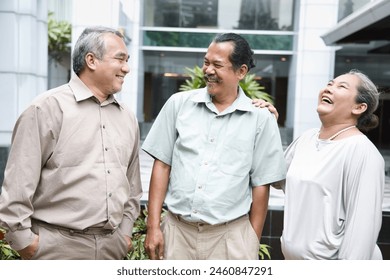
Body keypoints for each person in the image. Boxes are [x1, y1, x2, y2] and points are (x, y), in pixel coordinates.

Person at [0, 26, 142, 259]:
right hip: (55, 249)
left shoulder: (127, 116)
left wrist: (124, 235)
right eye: (120, 59)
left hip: (112, 248)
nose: (126, 68)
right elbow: (17, 185)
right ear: (91, 60)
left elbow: (132, 185)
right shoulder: (46, 108)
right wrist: (27, 243)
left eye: (127, 60)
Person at [142, 33, 286, 260]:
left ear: (241, 71)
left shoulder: (261, 118)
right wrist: (153, 227)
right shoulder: (178, 104)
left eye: (217, 65)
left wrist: (251, 241)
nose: (208, 70)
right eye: (206, 62)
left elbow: (261, 184)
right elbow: (162, 166)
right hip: (177, 233)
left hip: (230, 238)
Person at [274, 69, 384, 259]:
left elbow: (362, 230)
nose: (329, 89)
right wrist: (267, 124)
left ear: (359, 107)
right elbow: (275, 179)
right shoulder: (307, 138)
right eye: (329, 84)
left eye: (341, 87)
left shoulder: (362, 152)